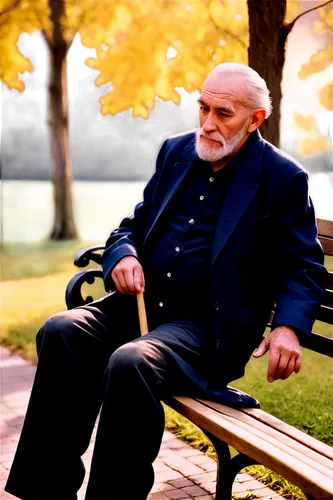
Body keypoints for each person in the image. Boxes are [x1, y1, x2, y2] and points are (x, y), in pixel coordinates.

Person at [5, 62, 328, 500]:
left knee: (130, 362)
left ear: (255, 120)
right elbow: (130, 227)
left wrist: (288, 328)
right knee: (61, 331)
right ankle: (46, 488)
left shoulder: (282, 178)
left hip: (204, 330)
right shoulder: (176, 151)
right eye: (203, 108)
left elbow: (304, 266)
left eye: (223, 113)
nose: (208, 124)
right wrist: (124, 254)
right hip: (140, 306)